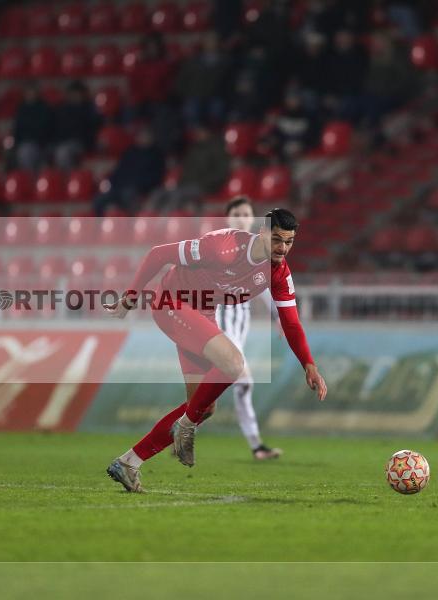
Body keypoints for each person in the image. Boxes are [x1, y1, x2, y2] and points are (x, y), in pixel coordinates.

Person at [104, 208, 327, 492]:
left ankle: (129, 462)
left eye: (289, 242)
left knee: (203, 407)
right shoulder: (222, 247)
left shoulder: (279, 272)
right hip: (172, 302)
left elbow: (291, 323)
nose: (283, 248)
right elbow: (158, 254)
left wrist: (309, 364)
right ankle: (185, 427)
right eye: (276, 240)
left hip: (202, 313)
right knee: (233, 364)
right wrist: (130, 297)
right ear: (262, 232)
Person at [217, 197, 283, 460]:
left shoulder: (256, 251)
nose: (241, 218)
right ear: (228, 218)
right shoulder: (220, 247)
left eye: (246, 214)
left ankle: (182, 429)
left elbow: (264, 286)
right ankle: (256, 445)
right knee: (243, 381)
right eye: (237, 213)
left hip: (239, 324)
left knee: (230, 388)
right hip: (220, 321)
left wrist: (278, 315)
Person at [147, 125, 230, 214]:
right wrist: (181, 182)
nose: (198, 134)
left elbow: (221, 173)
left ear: (208, 132)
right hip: (187, 185)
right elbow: (186, 170)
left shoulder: (218, 149)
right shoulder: (194, 148)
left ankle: (163, 220)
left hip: (204, 186)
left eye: (200, 131)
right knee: (157, 193)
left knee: (177, 194)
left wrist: (203, 183)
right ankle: (146, 218)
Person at [93, 127, 165, 216]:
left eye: (146, 136)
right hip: (119, 187)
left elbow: (155, 177)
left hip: (138, 189)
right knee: (100, 199)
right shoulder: (131, 152)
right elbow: (119, 171)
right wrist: (111, 182)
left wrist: (140, 185)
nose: (143, 138)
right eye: (141, 135)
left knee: (128, 195)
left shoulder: (156, 155)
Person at [53, 81, 102, 171]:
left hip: (81, 143)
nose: (75, 96)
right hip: (62, 142)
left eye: (77, 94)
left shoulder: (89, 109)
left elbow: (91, 129)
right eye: (73, 94)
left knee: (63, 152)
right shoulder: (62, 109)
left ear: (82, 94)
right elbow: (57, 130)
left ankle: (69, 176)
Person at [12, 84, 55, 171]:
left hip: (41, 144)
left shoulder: (44, 108)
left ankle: (30, 177)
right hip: (24, 144)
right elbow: (17, 130)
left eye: (32, 92)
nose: (30, 95)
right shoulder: (21, 109)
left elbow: (47, 130)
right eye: (28, 93)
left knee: (26, 152)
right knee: (22, 151)